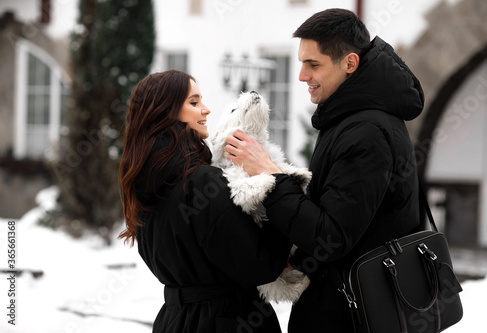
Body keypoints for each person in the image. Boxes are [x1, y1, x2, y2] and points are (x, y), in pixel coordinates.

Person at [225, 8, 425, 332]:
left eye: (313, 64)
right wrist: (300, 258)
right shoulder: (353, 119)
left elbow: (330, 237)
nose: (302, 75)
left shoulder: (367, 132)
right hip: (350, 308)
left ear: (350, 63)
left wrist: (271, 175)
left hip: (352, 317)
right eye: (302, 62)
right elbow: (344, 219)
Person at [118, 70, 291, 333]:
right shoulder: (202, 182)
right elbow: (260, 265)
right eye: (194, 102)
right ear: (166, 112)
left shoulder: (142, 188)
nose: (206, 110)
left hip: (172, 321)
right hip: (228, 321)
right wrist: (280, 192)